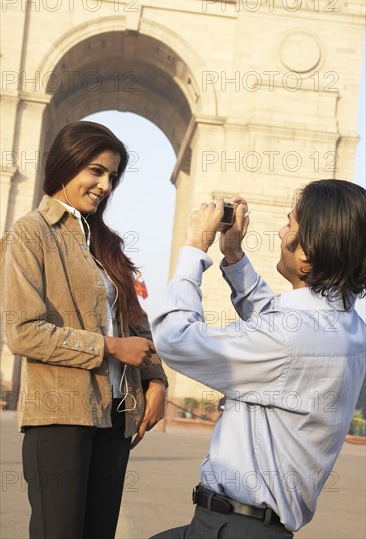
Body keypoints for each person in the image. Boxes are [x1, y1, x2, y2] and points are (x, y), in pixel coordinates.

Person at [151, 179, 366, 538]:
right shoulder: (349, 329)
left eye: (291, 224)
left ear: (307, 255)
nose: (281, 232)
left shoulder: (289, 337)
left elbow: (175, 339)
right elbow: (279, 325)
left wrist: (194, 248)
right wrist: (233, 254)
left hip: (230, 527)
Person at [1, 121, 168, 539]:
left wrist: (157, 379)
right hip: (59, 417)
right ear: (66, 165)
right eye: (95, 171)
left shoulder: (106, 243)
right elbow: (23, 332)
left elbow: (137, 320)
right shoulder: (29, 234)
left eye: (112, 176)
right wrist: (109, 347)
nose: (105, 185)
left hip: (116, 418)